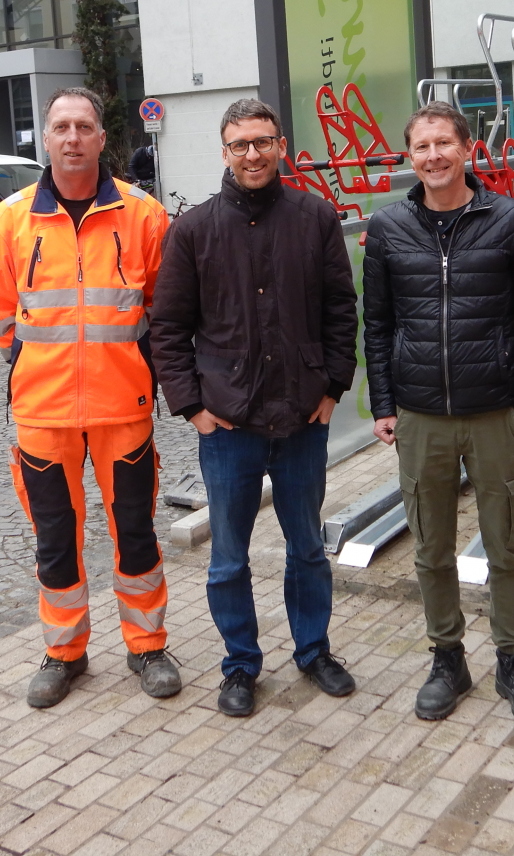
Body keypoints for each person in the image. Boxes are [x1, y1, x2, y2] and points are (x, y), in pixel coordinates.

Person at [151, 99, 358, 718]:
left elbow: (341, 310)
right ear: (224, 151)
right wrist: (192, 407)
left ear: (281, 145)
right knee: (227, 557)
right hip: (228, 424)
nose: (252, 154)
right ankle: (240, 664)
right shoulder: (193, 230)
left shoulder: (315, 218)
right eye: (240, 144)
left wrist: (331, 390)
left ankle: (313, 650)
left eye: (262, 142)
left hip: (300, 419)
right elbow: (167, 329)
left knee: (308, 548)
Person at [0, 86, 181, 709]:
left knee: (137, 532)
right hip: (43, 414)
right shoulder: (8, 220)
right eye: (61, 127)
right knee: (55, 537)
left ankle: (148, 645)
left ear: (102, 138)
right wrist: (38, 368)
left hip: (125, 408)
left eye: (84, 127)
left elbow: (163, 312)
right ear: (46, 137)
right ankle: (64, 651)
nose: (72, 138)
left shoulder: (145, 216)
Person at [362, 100, 514, 729]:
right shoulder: (389, 228)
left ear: (468, 148)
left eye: (444, 143)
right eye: (421, 147)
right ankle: (447, 657)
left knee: (507, 544)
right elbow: (378, 325)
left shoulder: (509, 221)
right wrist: (385, 405)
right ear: (408, 156)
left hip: (496, 413)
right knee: (430, 548)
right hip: (422, 418)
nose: (433, 157)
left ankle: (513, 661)